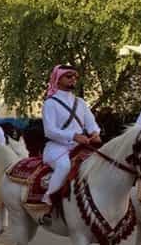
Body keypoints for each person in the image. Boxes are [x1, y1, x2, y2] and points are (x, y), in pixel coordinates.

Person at [41, 65, 101, 224]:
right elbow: (49, 131)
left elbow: (91, 123)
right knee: (64, 166)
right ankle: (49, 203)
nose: (73, 79)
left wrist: (95, 133)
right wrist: (73, 136)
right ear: (58, 79)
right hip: (57, 148)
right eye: (69, 76)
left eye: (75, 77)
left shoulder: (80, 102)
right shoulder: (50, 103)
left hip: (80, 147)